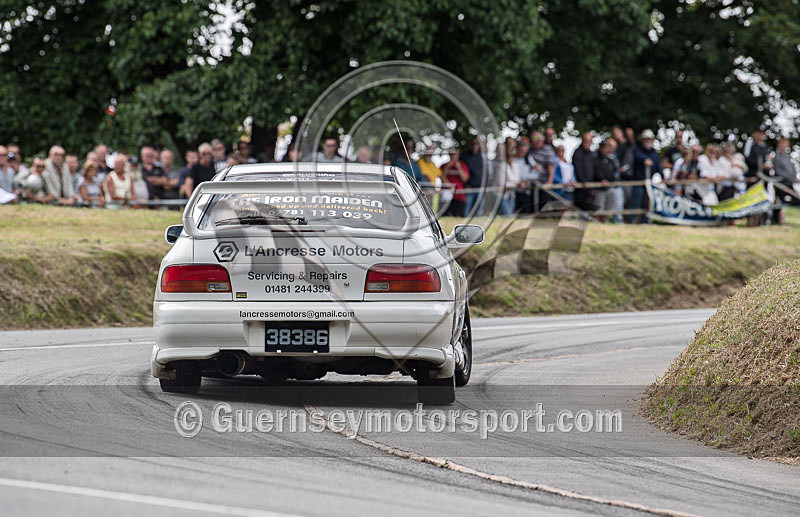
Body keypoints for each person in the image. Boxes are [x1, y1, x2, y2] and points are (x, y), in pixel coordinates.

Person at [628, 129, 662, 223]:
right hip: (639, 182)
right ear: (643, 140)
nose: (648, 141)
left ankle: (644, 222)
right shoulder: (637, 150)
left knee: (647, 204)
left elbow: (658, 166)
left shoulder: (654, 153)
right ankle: (631, 222)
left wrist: (663, 177)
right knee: (635, 203)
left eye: (649, 139)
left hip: (649, 183)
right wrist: (644, 160)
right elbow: (637, 156)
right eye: (646, 139)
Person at [526, 131, 556, 211]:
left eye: (535, 139)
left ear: (541, 140)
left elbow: (551, 166)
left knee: (542, 208)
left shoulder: (547, 149)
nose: (533, 141)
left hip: (543, 184)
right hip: (532, 185)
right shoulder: (531, 151)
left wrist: (549, 181)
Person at [593, 139, 620, 222]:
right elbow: (596, 172)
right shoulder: (595, 159)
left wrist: (609, 180)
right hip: (599, 188)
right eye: (604, 147)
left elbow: (612, 173)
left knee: (608, 209)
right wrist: (601, 180)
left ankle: (604, 222)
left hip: (609, 187)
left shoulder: (610, 160)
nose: (605, 149)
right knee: (599, 208)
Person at [441, 146, 469, 217]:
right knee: (445, 216)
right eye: (451, 154)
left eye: (455, 154)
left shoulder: (463, 165)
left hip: (459, 196)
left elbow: (465, 179)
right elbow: (442, 177)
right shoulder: (444, 165)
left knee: (459, 216)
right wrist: (447, 167)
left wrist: (459, 168)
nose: (453, 156)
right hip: (447, 196)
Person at [571, 131, 596, 212]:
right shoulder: (577, 152)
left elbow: (593, 169)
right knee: (579, 208)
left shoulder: (591, 154)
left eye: (590, 141)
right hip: (581, 186)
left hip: (589, 186)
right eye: (587, 141)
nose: (589, 143)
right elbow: (577, 169)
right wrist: (583, 181)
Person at [460, 137, 485, 215]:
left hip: (480, 188)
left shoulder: (482, 157)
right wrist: (466, 185)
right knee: (466, 212)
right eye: (473, 144)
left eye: (477, 144)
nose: (475, 146)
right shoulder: (464, 156)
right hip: (469, 189)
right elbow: (462, 171)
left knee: (478, 213)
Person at [499, 139, 518, 215]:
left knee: (510, 214)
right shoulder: (502, 166)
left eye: (513, 156)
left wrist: (512, 183)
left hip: (511, 194)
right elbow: (501, 184)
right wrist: (514, 184)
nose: (511, 158)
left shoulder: (515, 166)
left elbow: (516, 180)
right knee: (507, 214)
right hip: (502, 195)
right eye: (510, 156)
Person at [513, 139, 533, 212]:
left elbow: (536, 171)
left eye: (525, 151)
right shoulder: (513, 160)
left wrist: (527, 179)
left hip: (526, 191)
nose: (523, 153)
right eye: (521, 150)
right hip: (515, 190)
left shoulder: (529, 160)